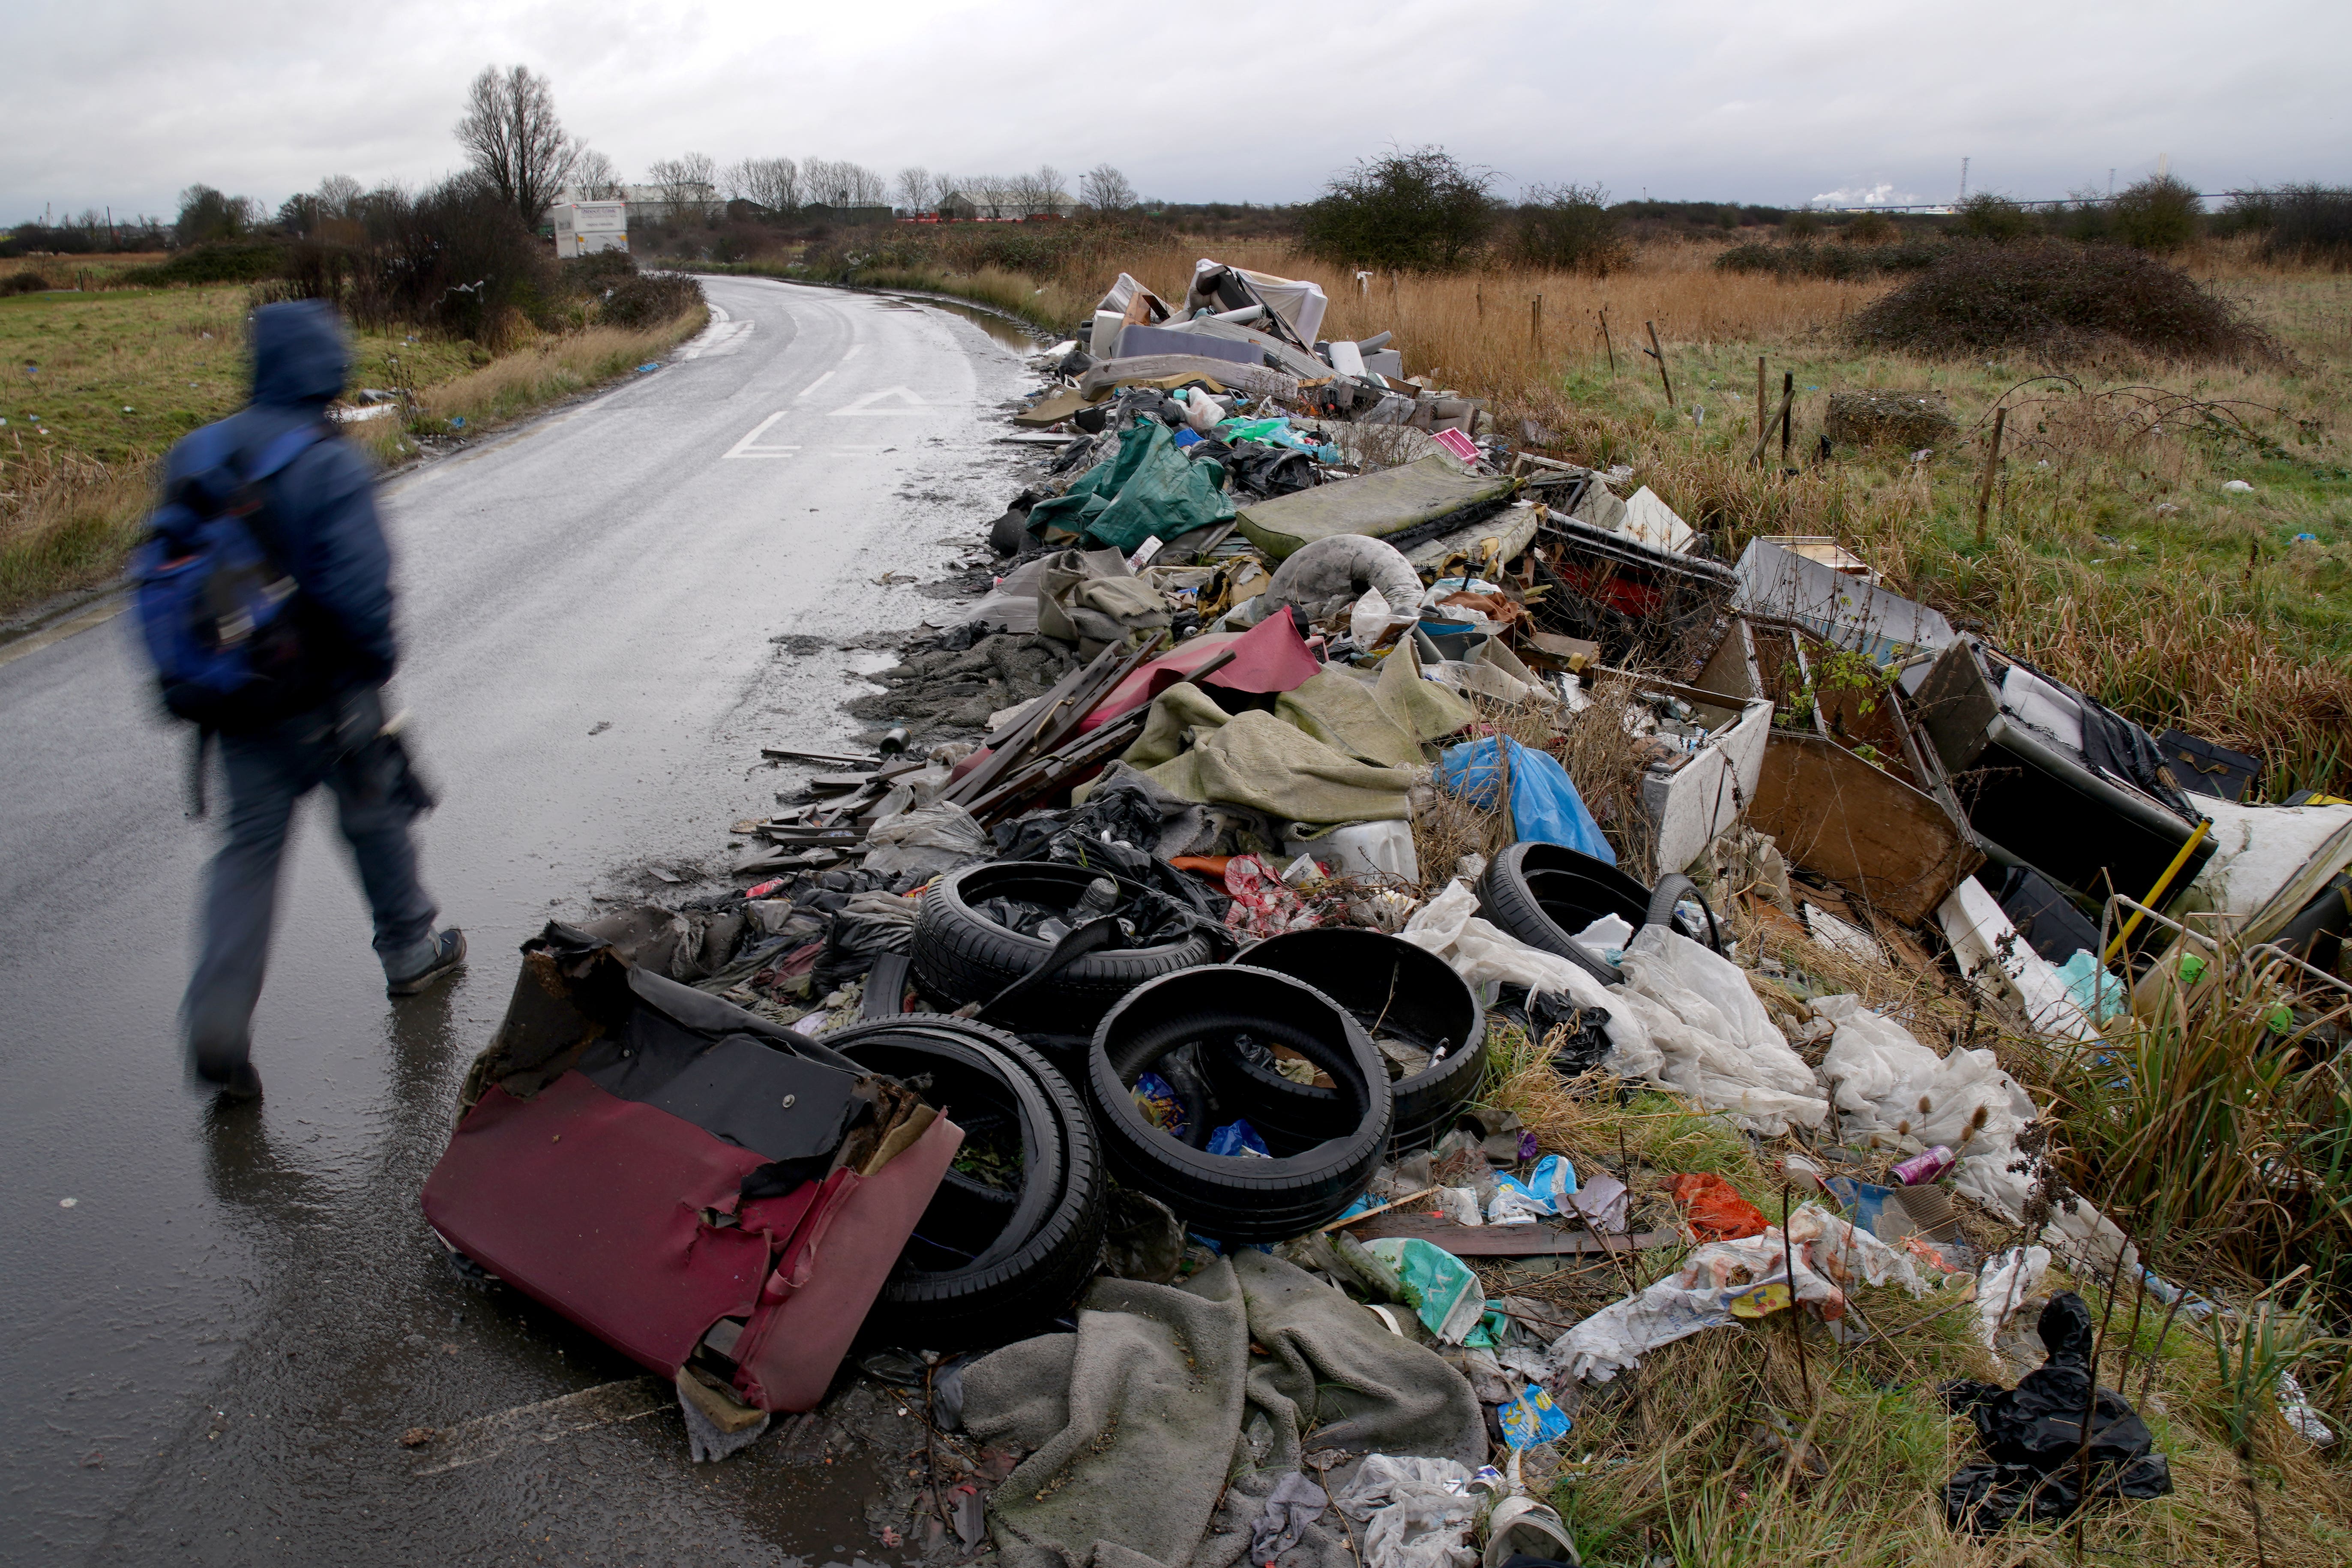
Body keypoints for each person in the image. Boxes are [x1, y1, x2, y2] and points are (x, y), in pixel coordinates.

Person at [170, 300, 463, 1100]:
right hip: (328, 695)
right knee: (374, 816)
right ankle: (410, 953)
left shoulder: (197, 452)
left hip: (235, 707)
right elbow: (362, 593)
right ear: (327, 367)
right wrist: (371, 671)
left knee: (247, 856)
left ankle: (218, 1020)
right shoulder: (328, 461)